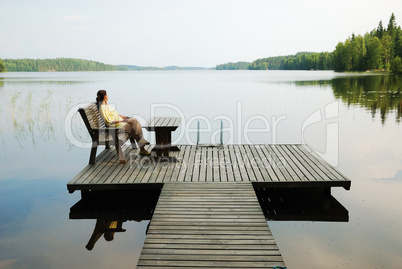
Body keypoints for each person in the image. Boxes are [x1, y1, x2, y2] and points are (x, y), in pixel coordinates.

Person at [96, 90, 150, 156]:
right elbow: (109, 122)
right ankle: (142, 148)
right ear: (105, 96)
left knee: (134, 122)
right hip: (116, 127)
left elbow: (116, 114)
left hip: (121, 123)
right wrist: (121, 121)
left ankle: (142, 144)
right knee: (133, 125)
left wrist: (123, 117)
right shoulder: (102, 108)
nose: (108, 96)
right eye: (107, 95)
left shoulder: (107, 105)